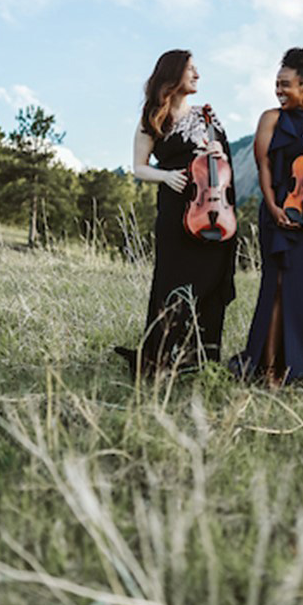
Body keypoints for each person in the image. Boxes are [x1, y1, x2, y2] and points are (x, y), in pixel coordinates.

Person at [114, 49, 236, 378]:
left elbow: (224, 168)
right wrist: (166, 176)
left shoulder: (208, 116)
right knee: (171, 282)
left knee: (209, 283)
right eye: (191, 70)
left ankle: (200, 361)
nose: (197, 75)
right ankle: (161, 359)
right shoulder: (152, 118)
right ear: (173, 75)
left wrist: (219, 151)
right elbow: (138, 167)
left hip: (212, 211)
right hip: (174, 213)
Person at [230, 48, 303, 385]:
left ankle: (301, 366)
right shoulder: (270, 119)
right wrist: (273, 206)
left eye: (286, 85)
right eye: (277, 84)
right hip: (278, 209)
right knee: (277, 285)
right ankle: (267, 367)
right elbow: (264, 165)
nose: (279, 91)